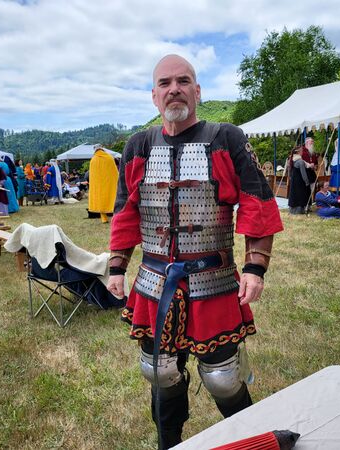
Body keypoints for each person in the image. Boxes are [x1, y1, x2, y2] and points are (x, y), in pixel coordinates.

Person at [107, 54, 283, 449]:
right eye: (165, 83)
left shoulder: (226, 138)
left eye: (183, 81)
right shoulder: (138, 146)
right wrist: (117, 265)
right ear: (154, 96)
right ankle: (168, 443)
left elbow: (256, 199)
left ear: (197, 91)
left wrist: (255, 267)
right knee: (160, 373)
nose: (174, 89)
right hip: (154, 282)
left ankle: (255, 442)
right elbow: (126, 209)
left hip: (212, 280)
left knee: (223, 378)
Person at [88, 146, 119, 223]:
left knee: (101, 199)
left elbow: (92, 176)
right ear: (102, 149)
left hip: (98, 184)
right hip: (109, 182)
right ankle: (115, 216)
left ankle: (104, 218)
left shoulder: (93, 160)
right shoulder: (109, 157)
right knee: (113, 197)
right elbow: (114, 171)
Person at [288, 146, 311, 214]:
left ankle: (293, 210)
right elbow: (303, 174)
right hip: (300, 182)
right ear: (298, 152)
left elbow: (289, 172)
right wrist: (307, 182)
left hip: (294, 181)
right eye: (301, 151)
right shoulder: (300, 161)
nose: (302, 152)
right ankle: (299, 210)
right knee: (300, 196)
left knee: (295, 195)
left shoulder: (292, 159)